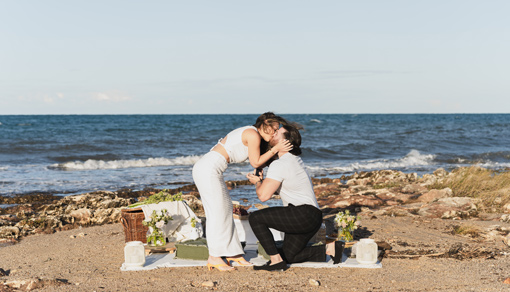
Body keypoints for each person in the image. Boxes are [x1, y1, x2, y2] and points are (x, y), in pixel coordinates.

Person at [192, 112, 293, 271]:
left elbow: (256, 161)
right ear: (264, 123)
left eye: (276, 130)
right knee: (217, 213)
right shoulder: (253, 134)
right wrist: (276, 149)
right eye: (273, 129)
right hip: (207, 169)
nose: (274, 133)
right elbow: (255, 160)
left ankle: (233, 254)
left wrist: (258, 168)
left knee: (225, 210)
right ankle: (214, 256)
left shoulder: (252, 133)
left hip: (211, 169)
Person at [246, 125, 344, 271]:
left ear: (286, 142)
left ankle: (275, 261)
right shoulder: (294, 160)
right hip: (312, 218)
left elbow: (263, 196)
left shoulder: (281, 164)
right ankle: (329, 249)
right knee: (290, 256)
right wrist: (262, 182)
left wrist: (258, 183)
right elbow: (282, 190)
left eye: (277, 133)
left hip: (302, 214)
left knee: (255, 218)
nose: (273, 134)